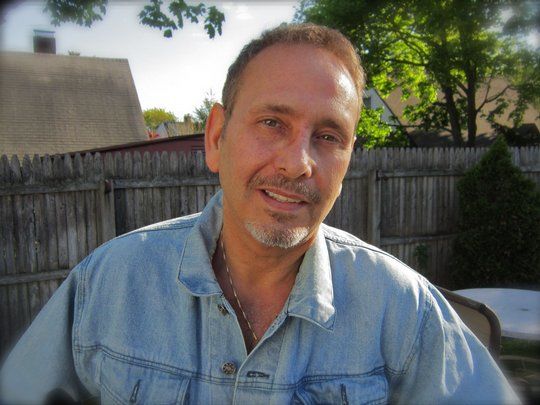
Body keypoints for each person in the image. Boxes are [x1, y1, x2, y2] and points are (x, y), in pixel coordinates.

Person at [1, 23, 519, 404]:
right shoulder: (108, 284)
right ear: (216, 138)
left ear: (347, 162)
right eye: (272, 122)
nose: (298, 163)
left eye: (328, 136)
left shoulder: (403, 309)